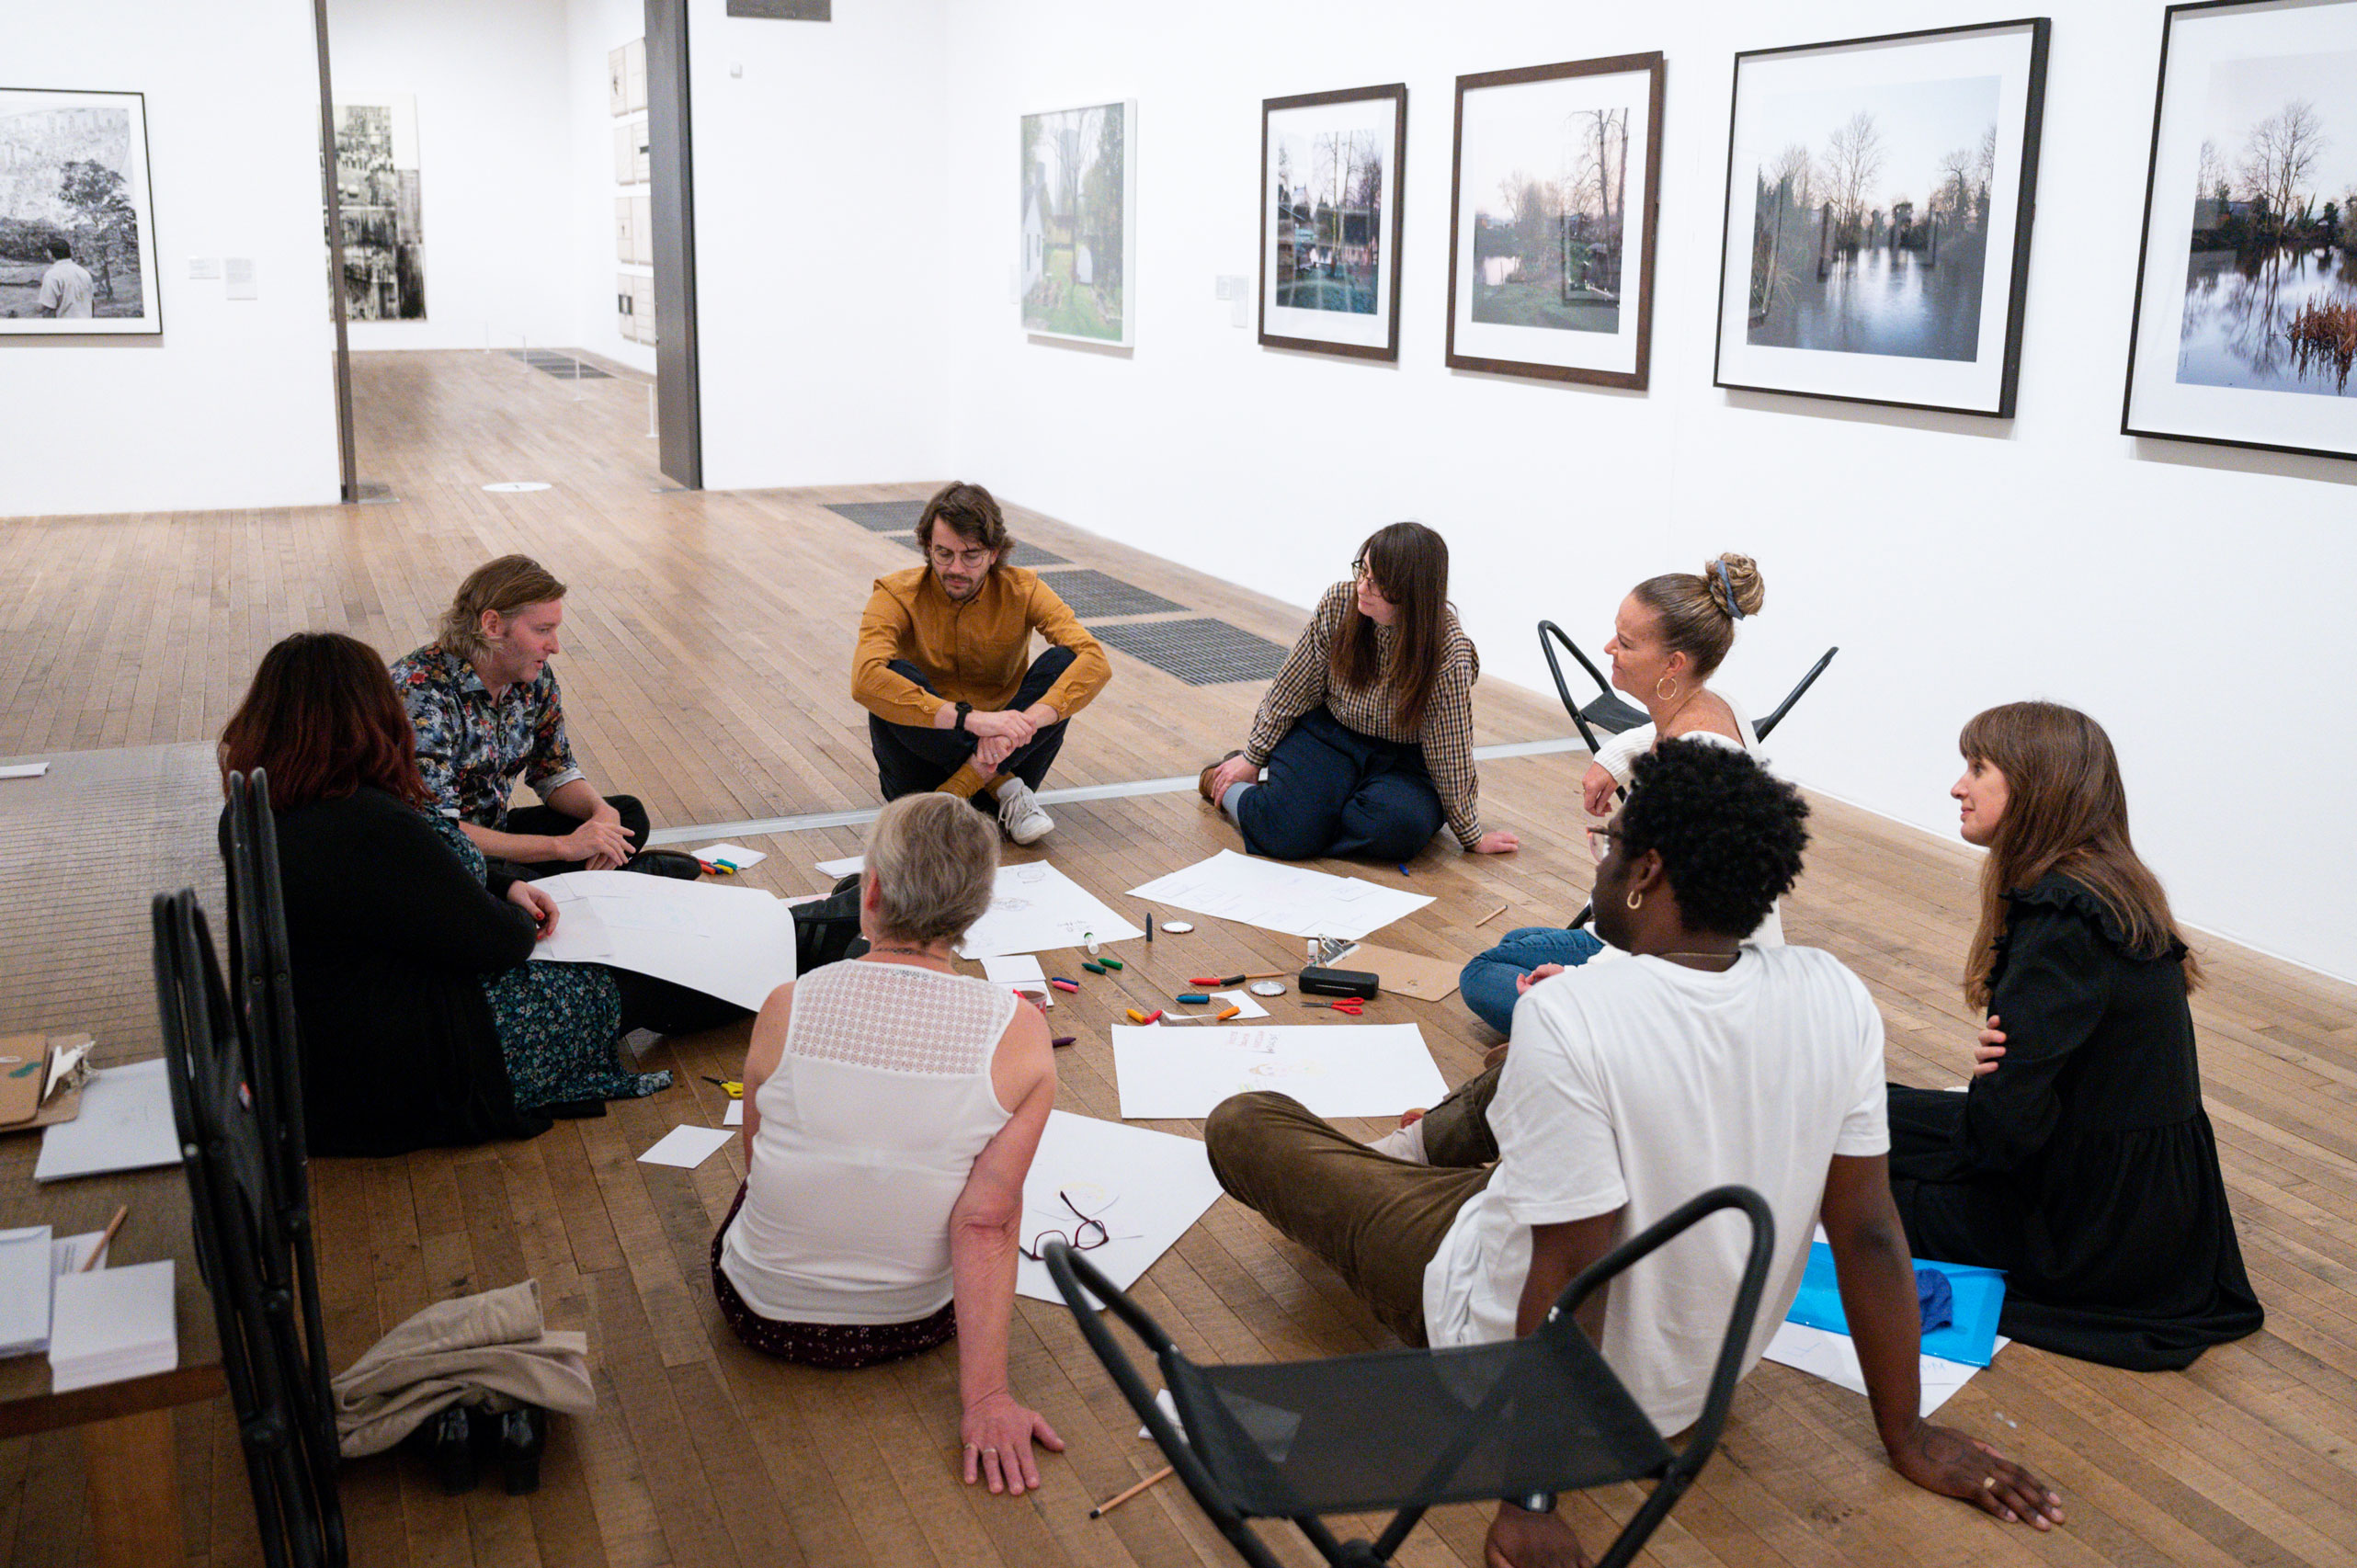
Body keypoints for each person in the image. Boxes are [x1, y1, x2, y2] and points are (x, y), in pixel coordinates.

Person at [1204, 743, 2063, 1568]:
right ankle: (1436, 1153)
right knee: (1520, 1076)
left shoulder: (1573, 1017)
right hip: (1688, 1390)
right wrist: (1907, 1435)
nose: (1601, 863)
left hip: (1485, 1322)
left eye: (1612, 846)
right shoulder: (1836, 994)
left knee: (1244, 1121)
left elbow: (1576, 1275)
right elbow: (1871, 1232)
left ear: (1648, 871)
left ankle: (1419, 1159)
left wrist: (1530, 1501)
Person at [218, 633, 745, 1156]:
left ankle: (788, 937)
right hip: (408, 1071)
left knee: (626, 902)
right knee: (638, 971)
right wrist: (517, 914)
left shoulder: (252, 813)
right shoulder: (369, 821)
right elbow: (495, 942)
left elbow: (427, 883)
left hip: (316, 1060)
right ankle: (793, 948)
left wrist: (505, 882)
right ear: (367, 718)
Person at [1887, 701, 2262, 1369]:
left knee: (1856, 1174)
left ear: (2033, 786)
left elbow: (2002, 1139)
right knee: (1878, 1111)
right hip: (2143, 1198)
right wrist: (1995, 1088)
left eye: (1978, 768)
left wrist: (1992, 1088)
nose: (1957, 786)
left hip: (2096, 1232)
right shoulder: (2110, 886)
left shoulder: (2063, 922)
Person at [712, 792, 1064, 1495]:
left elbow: (757, 1162)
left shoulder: (788, 1003)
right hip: (908, 1324)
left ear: (868, 892)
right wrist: (987, 1399)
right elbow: (986, 1224)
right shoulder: (1020, 1031)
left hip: (760, 1311)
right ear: (976, 909)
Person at [1459, 553, 1774, 1035]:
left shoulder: (1693, 773)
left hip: (1695, 999)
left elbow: (1687, 936)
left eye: (1625, 644)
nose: (1609, 647)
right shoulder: (1716, 703)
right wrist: (1612, 758)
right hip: (1683, 963)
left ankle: (1604, 1045)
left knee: (1482, 975)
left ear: (1674, 663)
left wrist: (1580, 983)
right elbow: (1656, 731)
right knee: (1520, 943)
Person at [1199, 522, 1518, 863]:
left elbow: (1450, 748)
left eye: (1379, 582)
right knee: (1285, 834)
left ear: (1413, 592)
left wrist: (1471, 835)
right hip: (1330, 735)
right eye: (1362, 571)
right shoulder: (1338, 604)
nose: (1364, 587)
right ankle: (1230, 785)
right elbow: (1291, 689)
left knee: (1395, 833)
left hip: (1404, 760)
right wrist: (1252, 756)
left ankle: (1303, 811)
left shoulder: (1448, 653)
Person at [393, 555, 700, 881]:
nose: (554, 646)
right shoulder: (421, 693)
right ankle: (605, 878)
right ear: (492, 625)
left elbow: (553, 770)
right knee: (472, 880)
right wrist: (562, 847)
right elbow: (436, 828)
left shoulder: (532, 675)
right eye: (543, 630)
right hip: (434, 851)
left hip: (494, 830)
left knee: (626, 815)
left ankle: (562, 880)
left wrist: (600, 812)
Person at [852, 482, 1110, 846]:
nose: (955, 567)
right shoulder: (894, 593)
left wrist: (1016, 726)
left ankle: (970, 787)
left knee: (1065, 662)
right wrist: (972, 721)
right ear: (927, 547)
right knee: (890, 678)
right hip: (924, 777)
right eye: (943, 553)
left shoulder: (1025, 589)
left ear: (994, 552)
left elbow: (1094, 660)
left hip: (1008, 754)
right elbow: (864, 678)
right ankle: (1003, 786)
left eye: (970, 555)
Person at [36, 240, 95, 320]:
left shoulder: (52, 275)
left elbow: (48, 309)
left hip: (64, 328)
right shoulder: (84, 273)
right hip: (85, 327)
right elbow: (91, 304)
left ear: (50, 253)